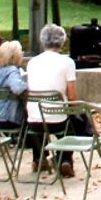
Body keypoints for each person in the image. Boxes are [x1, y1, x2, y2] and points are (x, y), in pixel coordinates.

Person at [26, 24, 89, 178]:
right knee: (74, 121)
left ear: (42, 41)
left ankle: (38, 158)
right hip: (58, 117)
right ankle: (65, 159)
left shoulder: (32, 62)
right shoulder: (67, 62)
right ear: (61, 42)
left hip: (34, 116)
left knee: (41, 121)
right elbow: (72, 96)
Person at [0, 40, 41, 169]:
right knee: (36, 121)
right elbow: (18, 88)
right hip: (11, 118)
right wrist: (28, 85)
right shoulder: (11, 71)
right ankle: (39, 158)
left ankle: (39, 158)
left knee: (33, 123)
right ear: (14, 56)